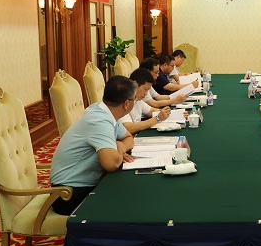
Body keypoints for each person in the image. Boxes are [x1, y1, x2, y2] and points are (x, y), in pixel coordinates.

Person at [49, 75, 136, 215]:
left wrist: (121, 147)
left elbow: (128, 138)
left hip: (84, 184)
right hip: (68, 193)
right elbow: (111, 164)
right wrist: (119, 148)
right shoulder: (98, 120)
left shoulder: (105, 112)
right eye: (134, 100)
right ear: (127, 104)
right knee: (131, 198)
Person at [119, 68, 171, 134]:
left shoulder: (138, 100)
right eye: (145, 89)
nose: (146, 94)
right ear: (135, 84)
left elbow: (152, 111)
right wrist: (157, 118)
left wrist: (168, 112)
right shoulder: (122, 101)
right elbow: (129, 128)